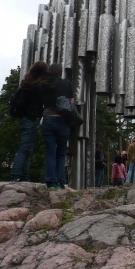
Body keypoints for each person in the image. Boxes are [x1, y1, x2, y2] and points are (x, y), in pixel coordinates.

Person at [10, 61, 48, 182]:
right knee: (25, 147)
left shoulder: (26, 84)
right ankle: (16, 174)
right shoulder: (38, 86)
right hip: (31, 118)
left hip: (24, 118)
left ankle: (24, 176)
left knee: (27, 148)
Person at [40, 63, 74, 191]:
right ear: (60, 72)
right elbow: (71, 102)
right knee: (61, 153)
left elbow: (41, 101)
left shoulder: (43, 84)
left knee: (50, 153)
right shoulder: (67, 84)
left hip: (48, 119)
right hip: (63, 120)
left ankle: (51, 182)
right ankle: (61, 182)